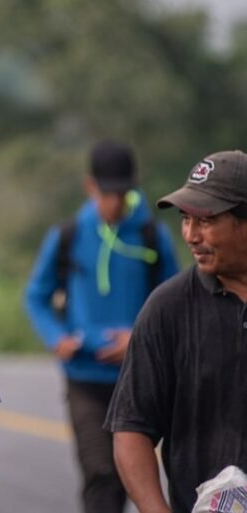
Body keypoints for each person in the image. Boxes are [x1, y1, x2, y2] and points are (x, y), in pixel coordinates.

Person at [24, 140, 179, 513]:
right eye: (107, 193)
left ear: (134, 185)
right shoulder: (69, 235)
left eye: (122, 192)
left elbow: (177, 305)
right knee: (100, 473)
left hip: (138, 378)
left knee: (134, 473)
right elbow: (36, 296)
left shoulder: (152, 237)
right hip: (84, 378)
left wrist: (139, 341)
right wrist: (56, 337)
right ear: (90, 186)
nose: (114, 202)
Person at [105, 149, 247, 513]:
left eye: (206, 220)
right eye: (186, 219)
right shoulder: (167, 309)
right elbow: (132, 430)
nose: (191, 234)